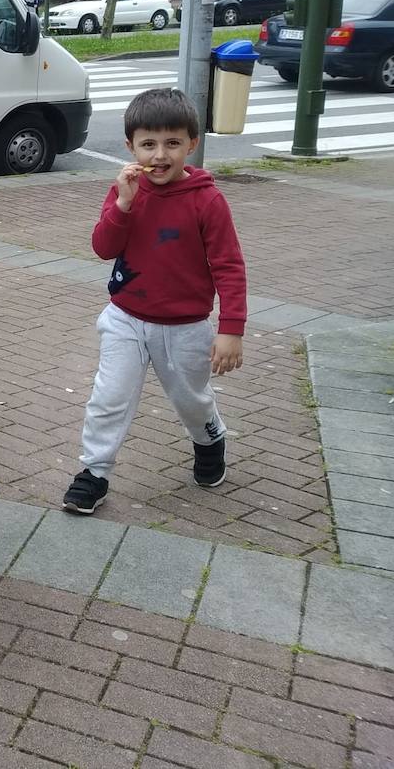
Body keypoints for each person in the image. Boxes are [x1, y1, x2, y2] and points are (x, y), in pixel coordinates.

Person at [63, 88, 247, 514]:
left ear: (191, 144)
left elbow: (229, 267)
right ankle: (94, 472)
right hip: (125, 317)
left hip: (186, 325)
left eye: (172, 143)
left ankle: (208, 436)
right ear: (130, 146)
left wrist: (231, 330)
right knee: (109, 397)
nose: (159, 155)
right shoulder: (126, 191)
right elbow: (103, 247)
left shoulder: (207, 200)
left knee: (190, 398)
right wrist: (123, 205)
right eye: (148, 144)